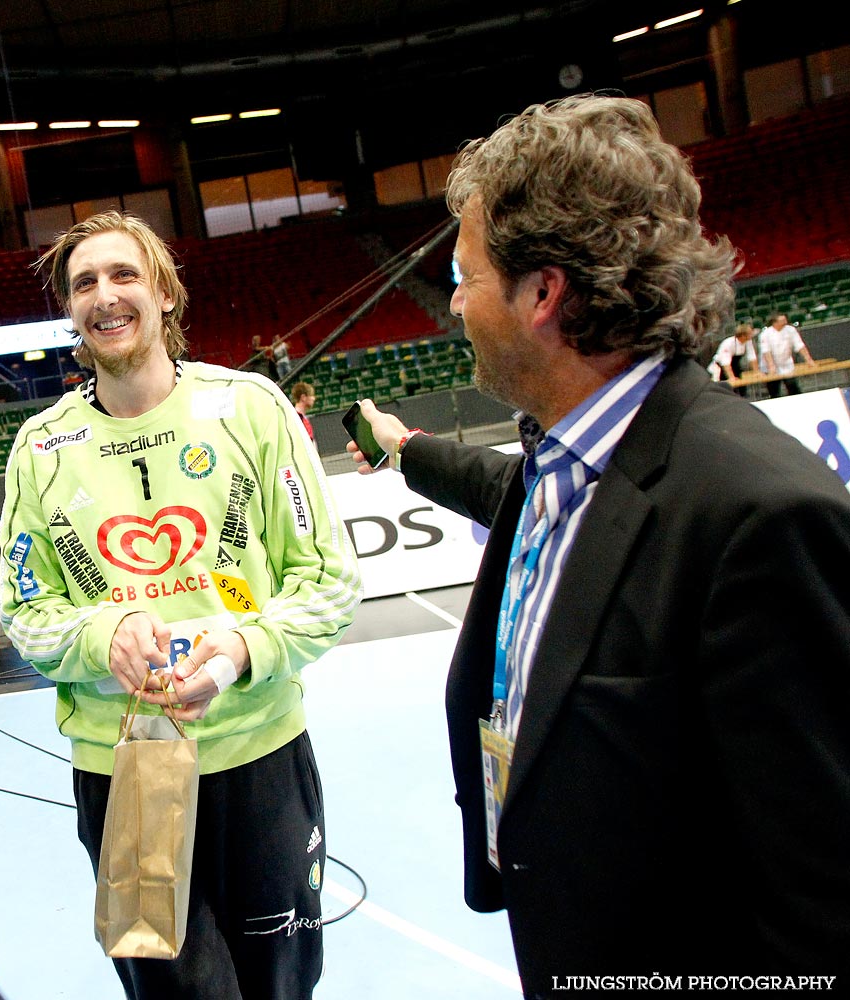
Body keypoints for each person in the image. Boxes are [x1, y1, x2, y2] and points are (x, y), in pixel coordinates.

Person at [346, 95, 850, 990]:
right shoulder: (566, 458)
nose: (453, 304)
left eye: (465, 277)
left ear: (544, 293)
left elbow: (822, 904)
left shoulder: (760, 517)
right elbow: (510, 492)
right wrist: (407, 450)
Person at [0, 210, 361, 1000]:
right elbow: (24, 611)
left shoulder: (253, 410)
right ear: (70, 310)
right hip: (124, 774)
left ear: (165, 293)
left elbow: (328, 579)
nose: (106, 295)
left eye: (125, 274)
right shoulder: (41, 448)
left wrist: (238, 653)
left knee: (281, 984)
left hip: (257, 755)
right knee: (171, 992)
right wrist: (104, 632)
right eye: (84, 282)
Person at [758, 311, 815, 396]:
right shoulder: (765, 334)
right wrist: (771, 366)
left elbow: (799, 345)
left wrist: (809, 360)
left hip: (786, 363)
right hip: (769, 366)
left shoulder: (790, 330)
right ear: (774, 322)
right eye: (782, 321)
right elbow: (766, 351)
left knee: (793, 387)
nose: (785, 322)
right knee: (774, 391)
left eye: (785, 320)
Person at [712, 321, 757, 393]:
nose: (751, 335)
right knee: (728, 389)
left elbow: (752, 356)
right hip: (721, 368)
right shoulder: (728, 343)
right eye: (750, 334)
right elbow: (726, 363)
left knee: (742, 388)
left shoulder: (748, 341)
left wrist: (756, 372)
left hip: (735, 366)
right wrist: (731, 377)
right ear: (743, 335)